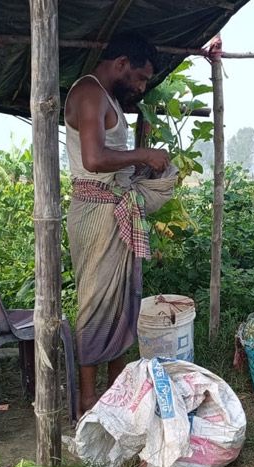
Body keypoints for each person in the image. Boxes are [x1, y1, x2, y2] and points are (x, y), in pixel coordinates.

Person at [64, 34, 173, 415]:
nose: (142, 87)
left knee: (121, 302)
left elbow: (109, 155)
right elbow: (93, 159)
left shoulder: (106, 98)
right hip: (96, 211)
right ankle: (87, 401)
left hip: (113, 207)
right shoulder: (89, 93)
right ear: (122, 62)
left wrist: (137, 162)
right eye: (141, 78)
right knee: (96, 302)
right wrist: (143, 153)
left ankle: (114, 392)